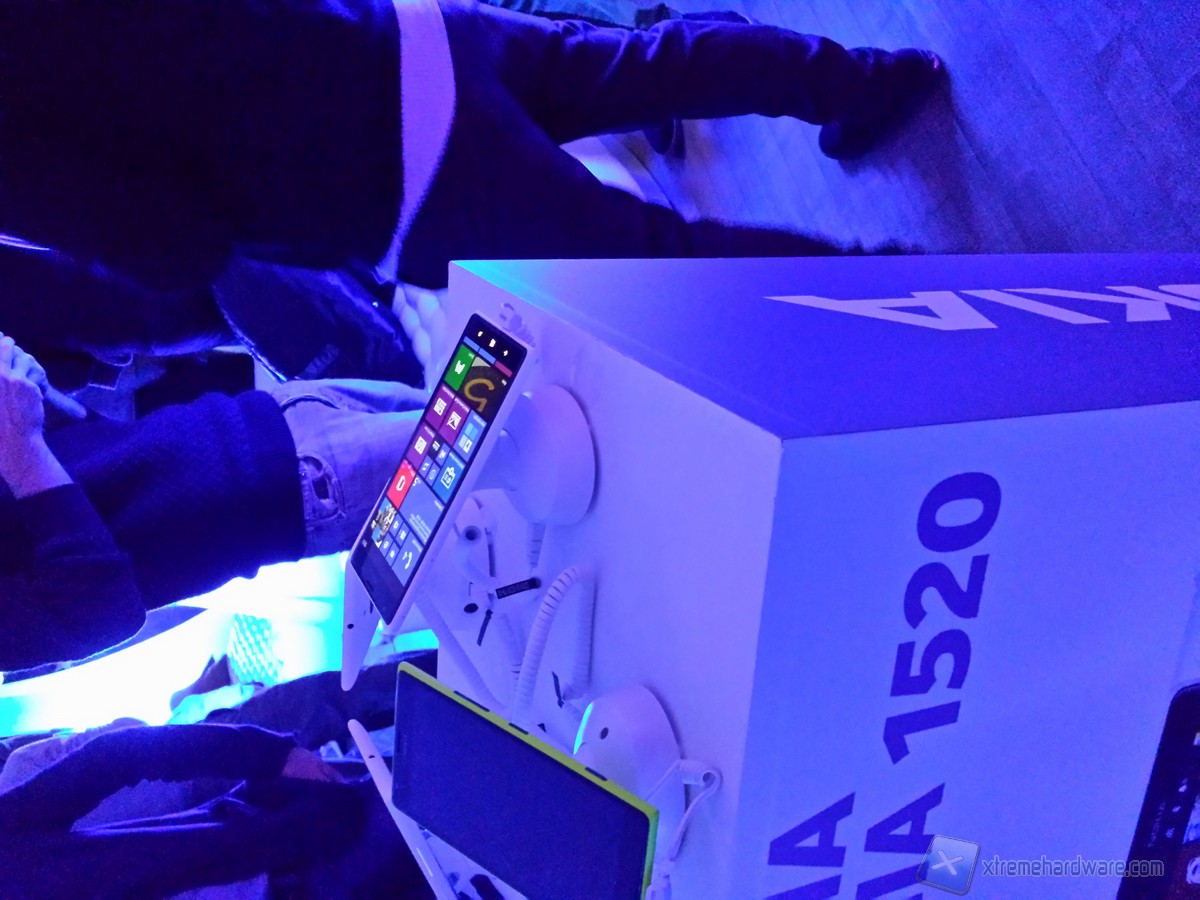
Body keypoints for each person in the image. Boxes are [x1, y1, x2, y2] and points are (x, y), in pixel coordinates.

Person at [0, 0, 946, 297]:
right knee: (642, 65)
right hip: (394, 32)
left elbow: (177, 239)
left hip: (394, 178)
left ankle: (903, 297)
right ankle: (866, 79)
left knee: (666, 264)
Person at [0, 335, 425, 672]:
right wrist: (22, 446)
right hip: (297, 484)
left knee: (468, 391)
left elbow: (95, 462)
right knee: (468, 443)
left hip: (272, 412)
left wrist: (35, 397)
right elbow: (105, 611)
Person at [0, 720, 432, 899]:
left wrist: (272, 755)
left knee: (444, 796)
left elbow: (118, 754)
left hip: (289, 849)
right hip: (283, 849)